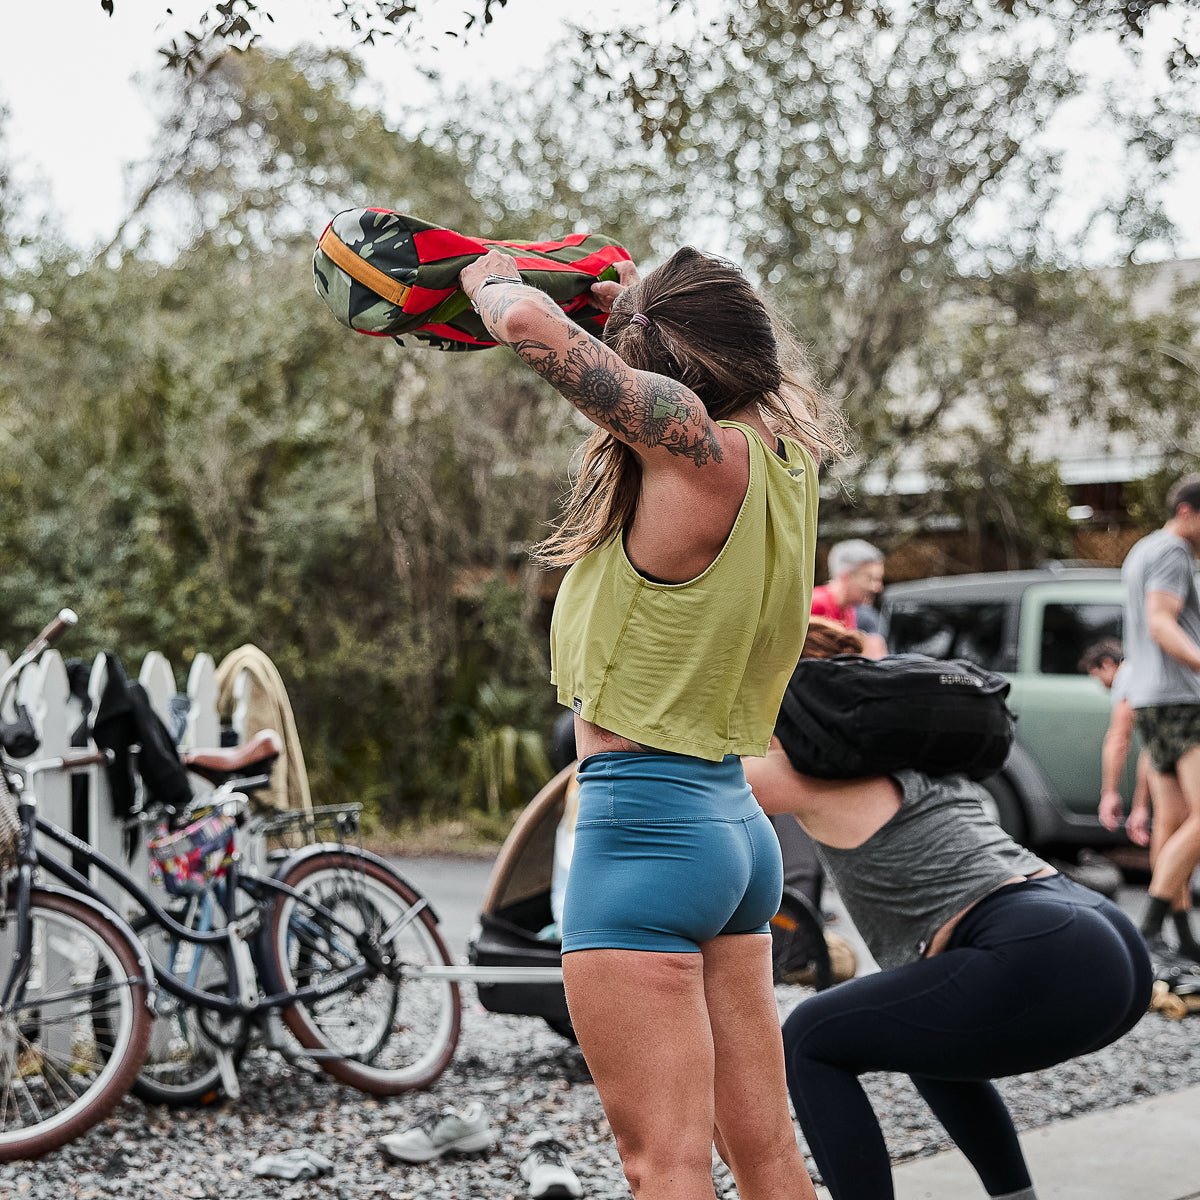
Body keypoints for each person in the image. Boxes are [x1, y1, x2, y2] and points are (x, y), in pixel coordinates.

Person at [459, 245, 844, 1200]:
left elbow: (517, 323)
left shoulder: (691, 449)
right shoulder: (784, 459)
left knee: (663, 1163)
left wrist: (483, 271)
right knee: (766, 1155)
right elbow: (644, 368)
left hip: (643, 834)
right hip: (734, 830)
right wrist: (619, 305)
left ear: (667, 370)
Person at [744, 619, 1153, 1200]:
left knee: (811, 1035)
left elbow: (697, 781)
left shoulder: (806, 776)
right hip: (1095, 934)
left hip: (1042, 947)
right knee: (917, 1031)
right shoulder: (914, 756)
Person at [1122, 473, 1200, 960]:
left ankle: (1182, 938)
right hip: (1181, 699)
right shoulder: (1173, 552)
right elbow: (1159, 622)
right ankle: (1147, 932)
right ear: (1188, 512)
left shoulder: (1143, 549)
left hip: (1150, 699)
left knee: (1172, 822)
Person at [1079, 638, 1153, 849]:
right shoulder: (1144, 671)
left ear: (1107, 664)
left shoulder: (1126, 676)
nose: (1102, 686)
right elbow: (1152, 748)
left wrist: (1110, 793)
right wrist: (1141, 805)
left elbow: (1119, 740)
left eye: (1097, 676)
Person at [810, 539, 886, 656]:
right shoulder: (816, 604)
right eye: (870, 579)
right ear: (846, 576)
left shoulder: (848, 610)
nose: (877, 588)